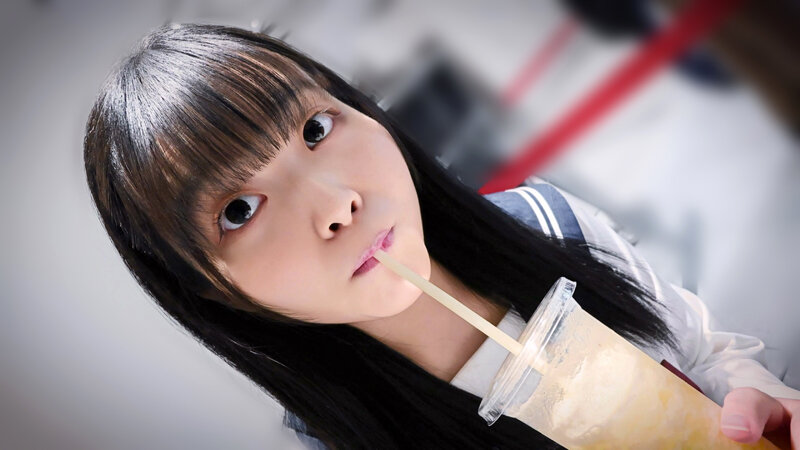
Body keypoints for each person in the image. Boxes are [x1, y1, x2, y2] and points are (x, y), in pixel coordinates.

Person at [82, 23, 798, 449]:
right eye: (240, 209)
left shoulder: (551, 225)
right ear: (209, 286)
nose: (336, 205)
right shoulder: (346, 438)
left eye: (316, 127)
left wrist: (760, 399)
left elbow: (699, 349)